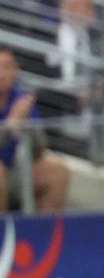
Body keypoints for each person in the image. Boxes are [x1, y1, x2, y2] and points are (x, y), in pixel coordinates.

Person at [0, 47, 69, 212]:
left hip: (17, 167)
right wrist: (11, 123)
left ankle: (45, 234)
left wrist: (26, 128)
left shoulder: (21, 99)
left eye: (7, 67)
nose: (1, 74)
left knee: (57, 171)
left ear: (16, 71)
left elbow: (40, 149)